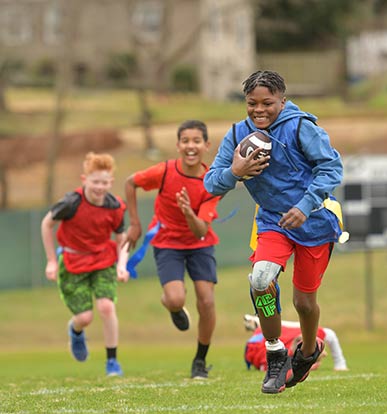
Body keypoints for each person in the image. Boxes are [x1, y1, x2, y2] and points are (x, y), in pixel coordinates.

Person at [204, 70, 343, 394]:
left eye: (267, 102)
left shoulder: (301, 127)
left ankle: (308, 351)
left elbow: (331, 168)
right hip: (272, 222)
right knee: (260, 281)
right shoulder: (238, 133)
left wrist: (305, 205)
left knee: (304, 303)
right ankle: (275, 349)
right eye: (252, 103)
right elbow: (211, 183)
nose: (259, 110)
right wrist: (234, 172)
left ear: (282, 100)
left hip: (315, 222)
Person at [124, 120, 221, 379]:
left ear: (206, 145)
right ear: (178, 145)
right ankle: (173, 305)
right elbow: (130, 183)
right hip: (167, 242)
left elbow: (201, 230)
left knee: (207, 300)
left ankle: (200, 361)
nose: (191, 146)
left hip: (200, 243)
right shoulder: (165, 171)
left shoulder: (212, 180)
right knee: (176, 298)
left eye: (196, 141)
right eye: (186, 141)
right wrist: (134, 223)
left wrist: (189, 212)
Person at [41, 152, 129, 376]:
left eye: (104, 182)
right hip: (73, 262)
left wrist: (122, 265)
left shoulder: (115, 206)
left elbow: (122, 240)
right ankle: (76, 330)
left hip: (102, 260)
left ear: (111, 182)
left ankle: (112, 362)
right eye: (95, 182)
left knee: (107, 307)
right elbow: (46, 224)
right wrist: (51, 261)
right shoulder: (71, 202)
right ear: (85, 180)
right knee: (85, 318)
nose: (100, 187)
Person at [243, 314, 348, 372]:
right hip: (257, 343)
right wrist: (340, 364)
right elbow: (330, 334)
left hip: (258, 340)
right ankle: (260, 322)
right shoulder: (277, 359)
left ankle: (259, 322)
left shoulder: (281, 357)